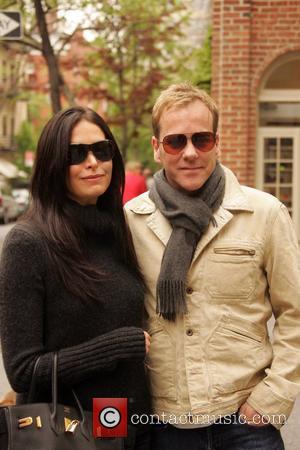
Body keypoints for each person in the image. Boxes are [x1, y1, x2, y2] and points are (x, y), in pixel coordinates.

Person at [124, 82, 300, 450]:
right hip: (163, 424)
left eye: (201, 139)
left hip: (247, 423)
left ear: (217, 142)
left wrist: (272, 400)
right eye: (175, 141)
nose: (189, 152)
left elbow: (295, 313)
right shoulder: (131, 222)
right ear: (157, 148)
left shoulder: (264, 213)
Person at [0, 106, 151, 449]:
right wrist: (116, 346)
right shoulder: (28, 243)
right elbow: (22, 369)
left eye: (102, 150)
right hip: (67, 434)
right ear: (54, 165)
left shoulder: (118, 231)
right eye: (76, 154)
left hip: (132, 429)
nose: (93, 162)